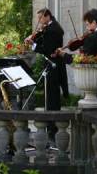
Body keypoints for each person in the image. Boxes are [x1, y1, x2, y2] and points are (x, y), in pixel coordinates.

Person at [55, 9, 97, 115]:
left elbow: (82, 61)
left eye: (87, 24)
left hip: (95, 82)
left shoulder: (92, 37)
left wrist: (64, 55)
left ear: (94, 22)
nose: (87, 28)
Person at [24, 8, 69, 140]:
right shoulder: (50, 28)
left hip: (53, 66)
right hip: (52, 65)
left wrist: (33, 44)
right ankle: (51, 128)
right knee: (50, 97)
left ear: (47, 16)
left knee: (52, 98)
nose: (39, 21)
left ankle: (52, 130)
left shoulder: (52, 30)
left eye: (40, 18)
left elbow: (47, 50)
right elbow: (44, 41)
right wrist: (35, 38)